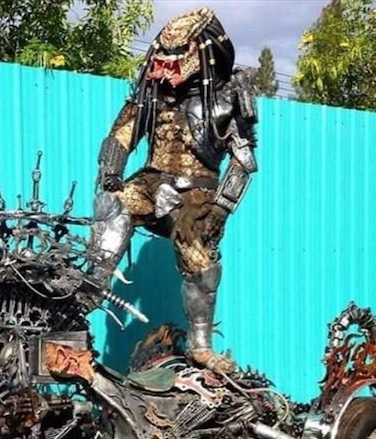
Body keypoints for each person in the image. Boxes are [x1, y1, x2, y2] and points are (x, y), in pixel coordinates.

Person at [89, 7, 258, 374]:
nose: (168, 63)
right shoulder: (152, 93)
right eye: (164, 54)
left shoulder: (228, 94)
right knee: (112, 204)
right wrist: (111, 173)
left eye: (178, 54)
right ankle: (90, 287)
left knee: (200, 264)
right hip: (150, 182)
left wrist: (220, 209)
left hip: (196, 193)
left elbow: (243, 161)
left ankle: (201, 346)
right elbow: (121, 135)